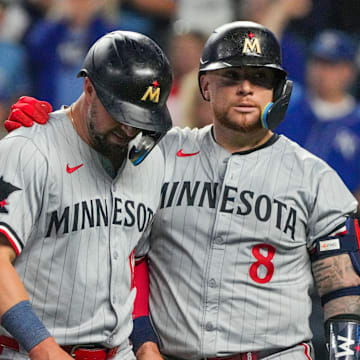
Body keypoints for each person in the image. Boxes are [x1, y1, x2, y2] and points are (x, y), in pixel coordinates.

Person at [6, 21, 360, 360]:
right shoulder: (158, 153)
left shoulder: (315, 177)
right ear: (204, 85)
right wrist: (48, 127)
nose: (246, 88)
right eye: (231, 76)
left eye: (260, 78)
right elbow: (92, 129)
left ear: (278, 89)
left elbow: (344, 289)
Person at [0, 30, 173, 360]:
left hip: (118, 352)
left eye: (140, 120)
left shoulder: (151, 159)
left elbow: (132, 258)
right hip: (30, 352)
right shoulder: (29, 150)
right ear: (89, 88)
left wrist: (145, 343)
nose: (129, 130)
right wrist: (44, 348)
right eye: (121, 115)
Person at [276, 29, 360, 200]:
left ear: (348, 71)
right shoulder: (287, 100)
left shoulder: (357, 122)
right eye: (317, 62)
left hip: (331, 220)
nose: (321, 71)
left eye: (331, 65)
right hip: (275, 207)